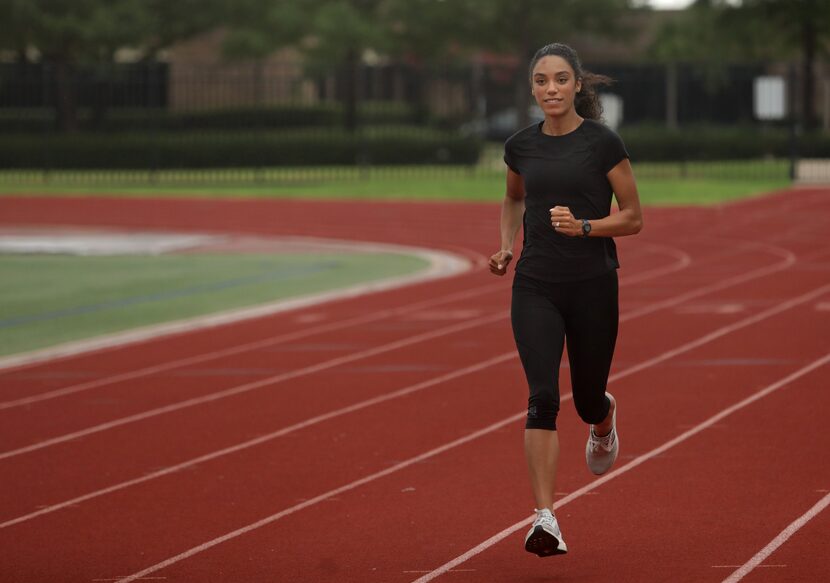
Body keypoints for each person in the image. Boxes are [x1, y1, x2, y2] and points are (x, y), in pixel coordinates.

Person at [488, 42, 643, 558]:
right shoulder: (520, 147)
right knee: (542, 398)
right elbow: (513, 197)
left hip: (593, 284)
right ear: (531, 88)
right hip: (535, 284)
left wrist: (584, 227)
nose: (549, 89)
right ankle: (545, 518)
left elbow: (633, 216)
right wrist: (507, 247)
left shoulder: (602, 143)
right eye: (540, 81)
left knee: (587, 396)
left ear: (577, 84)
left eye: (559, 79)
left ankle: (603, 419)